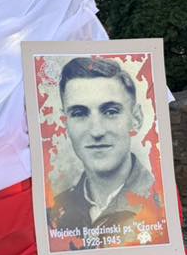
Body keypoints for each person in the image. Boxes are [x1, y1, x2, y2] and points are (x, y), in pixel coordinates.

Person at [49, 57, 159, 235]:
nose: (97, 131)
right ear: (65, 123)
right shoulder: (55, 211)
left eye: (110, 111)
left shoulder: (159, 201)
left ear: (136, 119)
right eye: (79, 113)